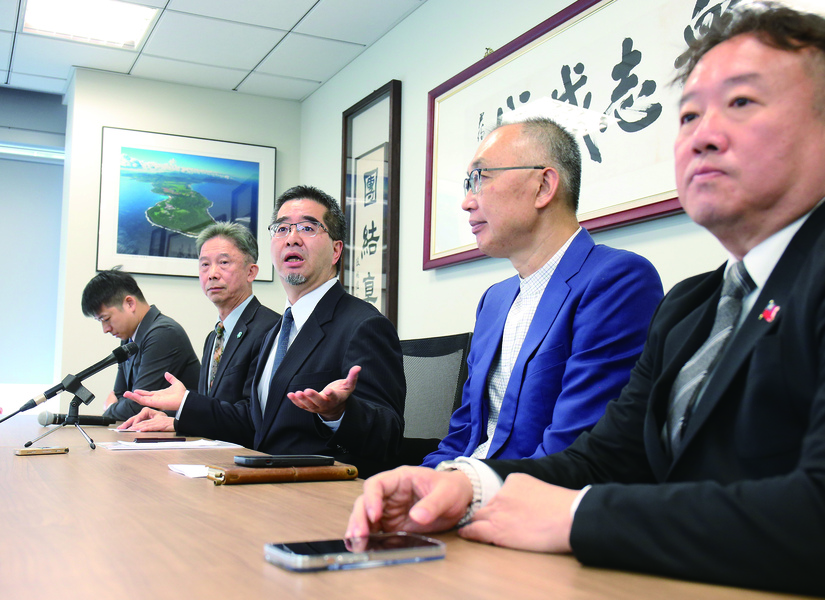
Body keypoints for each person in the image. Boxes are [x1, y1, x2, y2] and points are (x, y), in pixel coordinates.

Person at [346, 3, 825, 595]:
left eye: (742, 102)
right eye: (688, 115)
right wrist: (466, 485)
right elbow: (603, 460)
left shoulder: (630, 279)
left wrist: (577, 517)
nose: (703, 135)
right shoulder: (690, 308)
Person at [421, 117, 662, 467]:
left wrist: (465, 486)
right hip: (463, 483)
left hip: (530, 492)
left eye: (480, 178)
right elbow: (462, 437)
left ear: (544, 186)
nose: (466, 202)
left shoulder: (617, 280)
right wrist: (419, 482)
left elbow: (574, 450)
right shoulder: (494, 301)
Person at [122, 186, 406, 476]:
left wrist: (338, 413)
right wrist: (183, 408)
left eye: (308, 228)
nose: (292, 238)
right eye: (282, 229)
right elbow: (254, 424)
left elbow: (388, 436)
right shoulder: (277, 331)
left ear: (336, 250)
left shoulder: (363, 325)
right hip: (258, 478)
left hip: (317, 487)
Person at [120, 222, 280, 432]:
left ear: (251, 272)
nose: (212, 273)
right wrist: (174, 419)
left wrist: (185, 402)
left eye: (223, 262)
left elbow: (254, 417)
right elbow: (212, 409)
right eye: (205, 264)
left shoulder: (271, 329)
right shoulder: (214, 337)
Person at [81, 269, 200, 421]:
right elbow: (121, 395)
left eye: (106, 319)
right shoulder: (128, 339)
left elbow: (138, 405)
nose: (105, 329)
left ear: (130, 303)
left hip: (187, 430)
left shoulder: (163, 333)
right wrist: (120, 406)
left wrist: (110, 408)